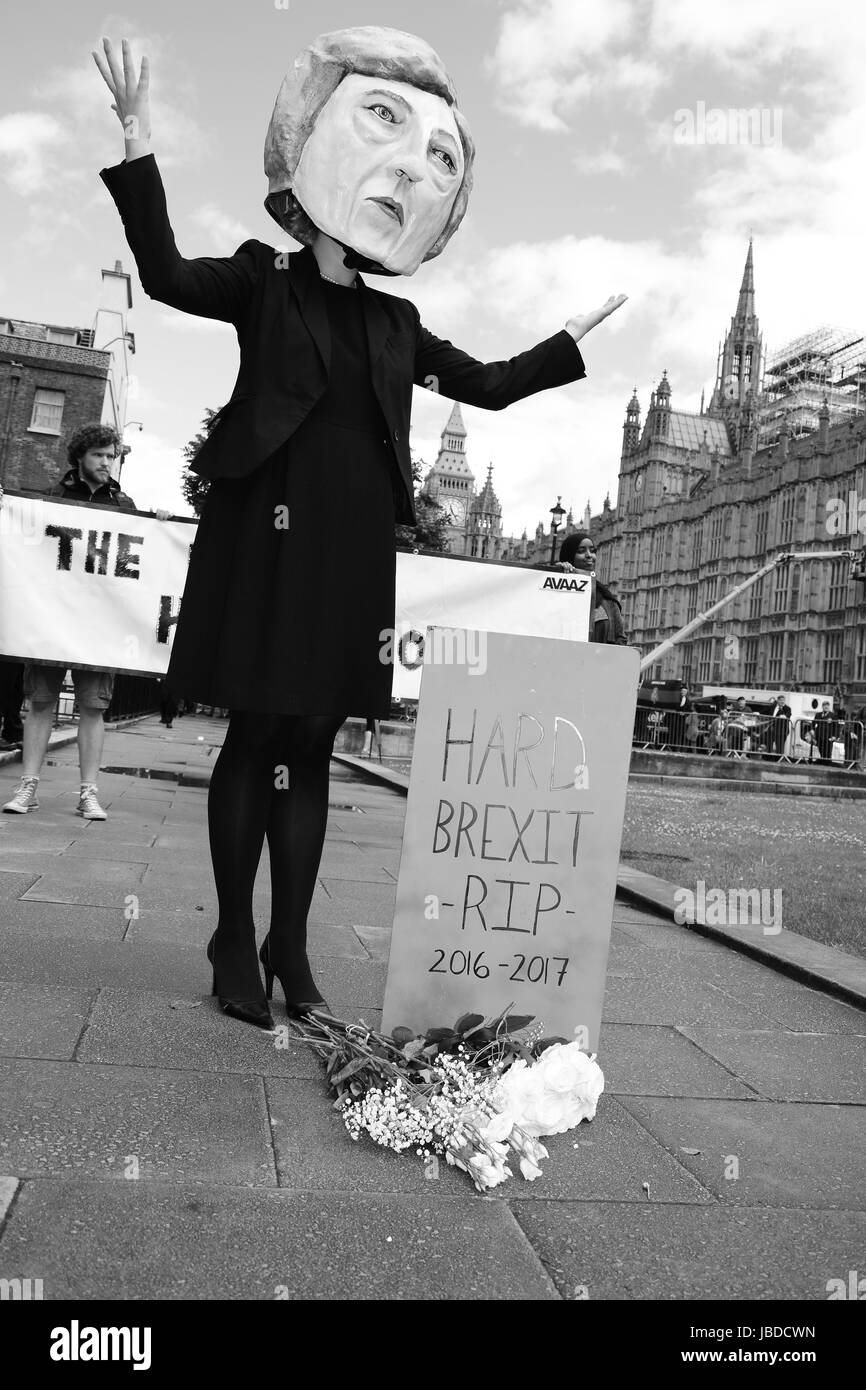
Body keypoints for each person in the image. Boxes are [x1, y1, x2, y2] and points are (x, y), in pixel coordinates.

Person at [93, 29, 626, 1031]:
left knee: (313, 739)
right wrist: (136, 134)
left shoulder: (397, 325)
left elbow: (490, 386)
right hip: (265, 533)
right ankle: (230, 938)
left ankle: (288, 941)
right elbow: (162, 272)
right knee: (257, 733)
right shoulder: (263, 281)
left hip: (348, 550)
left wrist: (567, 341)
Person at [1, 426, 170, 819]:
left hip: (99, 627)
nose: (107, 462)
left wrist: (158, 523)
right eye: (99, 455)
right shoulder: (51, 498)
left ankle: (88, 792)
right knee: (41, 702)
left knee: (93, 708)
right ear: (80, 456)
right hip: (52, 620)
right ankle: (28, 786)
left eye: (112, 456)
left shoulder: (124, 504)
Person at [535, 530, 627, 644]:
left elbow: (620, 640)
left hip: (597, 660)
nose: (589, 555)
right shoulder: (554, 589)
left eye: (592, 551)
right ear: (569, 555)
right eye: (581, 551)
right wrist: (557, 574)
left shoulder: (608, 600)